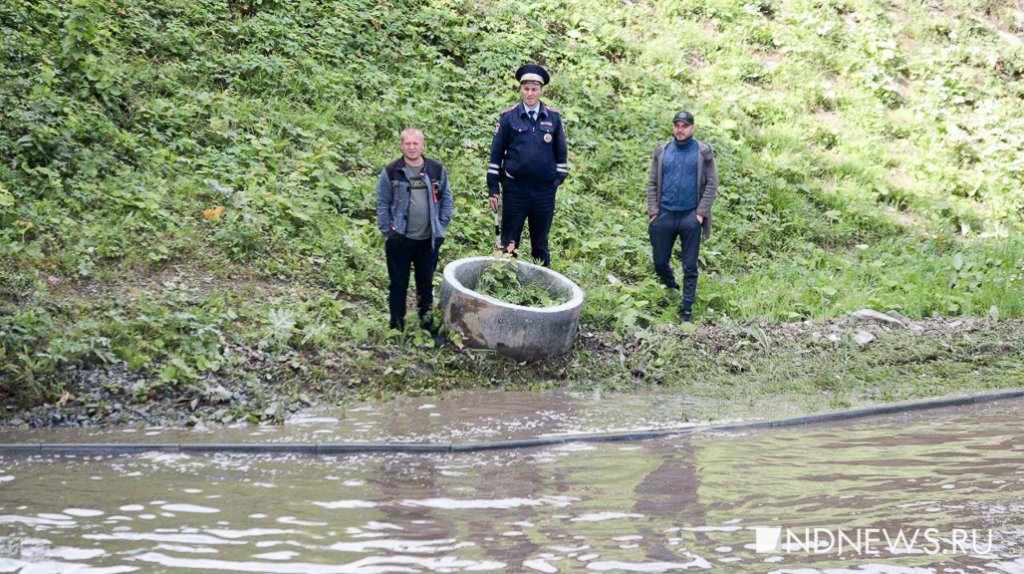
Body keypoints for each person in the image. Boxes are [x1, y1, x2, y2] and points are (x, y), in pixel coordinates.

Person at [487, 64, 568, 267]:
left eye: (534, 89)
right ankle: (505, 281)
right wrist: (493, 188)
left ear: (541, 90)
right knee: (509, 241)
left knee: (540, 242)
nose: (530, 93)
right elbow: (496, 154)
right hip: (515, 190)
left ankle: (540, 288)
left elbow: (561, 155)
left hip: (543, 192)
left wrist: (555, 182)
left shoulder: (553, 118)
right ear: (521, 89)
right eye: (526, 89)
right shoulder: (508, 117)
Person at [376, 127, 454, 331]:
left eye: (415, 143)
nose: (412, 147)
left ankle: (427, 325)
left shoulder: (435, 170)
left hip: (428, 241)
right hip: (399, 239)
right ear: (401, 145)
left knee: (425, 284)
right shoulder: (391, 171)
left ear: (423, 145)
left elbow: (447, 199)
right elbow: (382, 203)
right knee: (398, 284)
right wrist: (388, 232)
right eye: (407, 143)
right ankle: (396, 326)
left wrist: (441, 226)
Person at [646, 110, 719, 323]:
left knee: (690, 265)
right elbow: (652, 182)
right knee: (660, 261)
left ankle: (686, 309)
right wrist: (653, 212)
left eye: (684, 126)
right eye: (677, 125)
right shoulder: (662, 151)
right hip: (664, 216)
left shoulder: (703, 152)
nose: (680, 129)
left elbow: (712, 184)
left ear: (692, 128)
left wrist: (699, 214)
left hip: (690, 216)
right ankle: (671, 287)